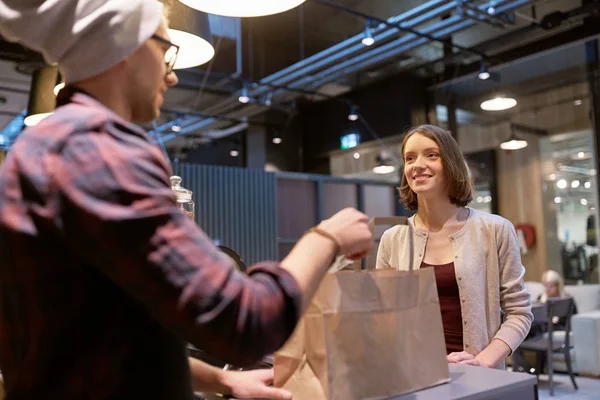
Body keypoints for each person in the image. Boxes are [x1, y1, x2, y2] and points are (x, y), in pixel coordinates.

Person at [0, 1, 373, 399]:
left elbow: (91, 335)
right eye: (165, 49)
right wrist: (326, 237)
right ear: (127, 44)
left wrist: (222, 379)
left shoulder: (44, 146)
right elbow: (243, 323)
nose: (172, 74)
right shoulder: (98, 150)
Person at [376, 124, 533, 369]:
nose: (417, 164)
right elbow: (384, 316)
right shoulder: (392, 239)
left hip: (480, 379)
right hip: (414, 377)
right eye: (409, 158)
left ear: (451, 164)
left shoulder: (495, 230)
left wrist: (481, 362)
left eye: (431, 155)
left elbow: (520, 313)